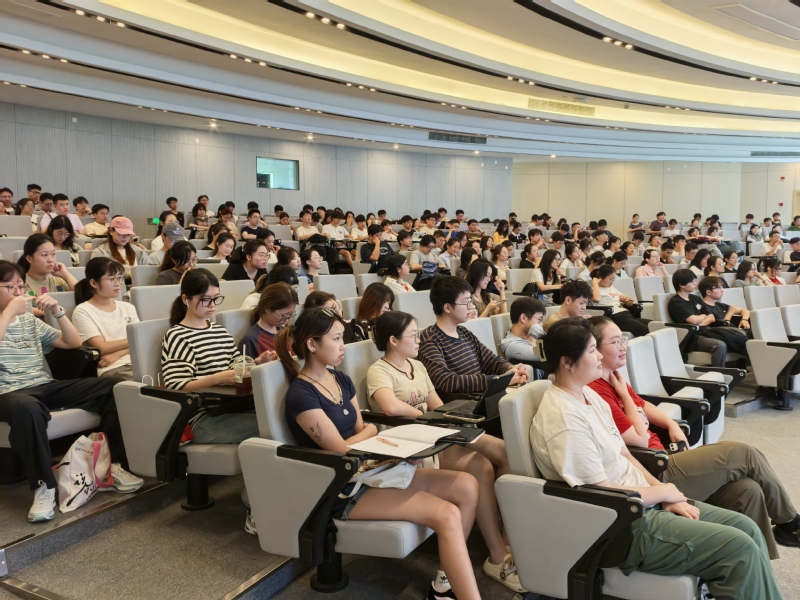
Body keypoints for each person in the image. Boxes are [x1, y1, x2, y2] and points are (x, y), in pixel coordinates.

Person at [532, 318, 783, 600]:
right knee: (738, 548)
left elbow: (626, 454)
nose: (600, 356)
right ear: (567, 362)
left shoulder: (588, 394)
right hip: (623, 524)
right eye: (592, 350)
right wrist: (662, 493)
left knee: (746, 527)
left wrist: (665, 492)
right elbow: (600, 494)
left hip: (642, 501)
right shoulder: (564, 418)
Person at [277, 308, 481, 600]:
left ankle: (443, 584)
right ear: (312, 344)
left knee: (467, 485)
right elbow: (341, 448)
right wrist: (369, 433)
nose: (343, 345)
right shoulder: (301, 394)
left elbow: (360, 430)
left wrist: (377, 440)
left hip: (369, 470)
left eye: (342, 338)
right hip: (339, 487)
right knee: (447, 513)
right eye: (336, 339)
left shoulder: (341, 380)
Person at [589, 316, 800, 559]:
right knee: (744, 454)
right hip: (653, 468)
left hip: (663, 455)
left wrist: (671, 424)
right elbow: (639, 440)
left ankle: (759, 563)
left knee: (747, 489)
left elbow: (643, 404)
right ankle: (791, 523)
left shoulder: (614, 376)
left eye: (623, 340)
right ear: (595, 350)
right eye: (615, 342)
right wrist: (625, 398)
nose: (623, 346)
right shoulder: (597, 389)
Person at [367, 311, 523, 592]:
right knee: (481, 466)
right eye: (412, 335)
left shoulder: (417, 366)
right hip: (411, 445)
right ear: (393, 340)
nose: (418, 340)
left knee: (502, 450)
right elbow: (390, 406)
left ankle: (505, 542)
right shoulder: (379, 370)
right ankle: (496, 555)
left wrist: (455, 419)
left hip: (434, 434)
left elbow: (437, 405)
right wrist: (425, 417)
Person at [0, 260, 141, 523]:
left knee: (113, 385)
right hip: (6, 393)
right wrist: (7, 313)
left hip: (42, 385)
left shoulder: (29, 321)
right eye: (11, 287)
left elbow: (72, 342)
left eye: (21, 286)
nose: (19, 293)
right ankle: (43, 486)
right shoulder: (8, 317)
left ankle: (112, 465)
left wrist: (58, 312)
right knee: (27, 407)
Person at [161, 269, 259, 443]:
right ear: (186, 299)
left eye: (216, 298)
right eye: (205, 300)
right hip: (200, 417)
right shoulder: (178, 336)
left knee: (280, 416)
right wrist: (217, 378)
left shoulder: (220, 331)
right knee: (270, 426)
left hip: (229, 406)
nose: (212, 305)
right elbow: (176, 385)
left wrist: (256, 363)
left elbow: (236, 364)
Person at [418, 276, 528, 395]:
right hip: (461, 402)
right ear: (447, 307)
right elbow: (446, 381)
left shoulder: (463, 332)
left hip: (481, 396)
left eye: (470, 301)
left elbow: (491, 360)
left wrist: (510, 369)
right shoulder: (429, 338)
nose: (471, 306)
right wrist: (499, 380)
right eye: (466, 302)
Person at [72, 258, 139, 379]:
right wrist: (133, 339)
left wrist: (118, 353)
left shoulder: (128, 307)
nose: (118, 283)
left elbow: (141, 342)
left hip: (138, 360)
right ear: (94, 283)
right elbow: (101, 348)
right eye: (112, 279)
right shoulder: (82, 311)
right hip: (113, 368)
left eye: (120, 278)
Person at [668, 269, 730, 367]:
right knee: (719, 345)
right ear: (682, 285)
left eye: (695, 281)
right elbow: (693, 320)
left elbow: (711, 317)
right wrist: (702, 316)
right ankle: (718, 373)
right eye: (692, 281)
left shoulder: (696, 298)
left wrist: (698, 323)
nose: (695, 283)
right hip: (692, 337)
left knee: (731, 339)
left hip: (706, 331)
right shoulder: (675, 302)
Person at [18, 234, 78, 315]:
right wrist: (54, 312)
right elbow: (18, 308)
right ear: (29, 258)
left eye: (53, 254)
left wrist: (66, 275)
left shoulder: (59, 281)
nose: (50, 260)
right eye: (44, 255)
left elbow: (83, 297)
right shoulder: (19, 283)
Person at [239, 282, 298, 364]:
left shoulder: (285, 333)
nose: (286, 320)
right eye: (283, 316)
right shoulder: (251, 339)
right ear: (267, 309)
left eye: (290, 315)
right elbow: (245, 370)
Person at [590, 265, 648, 337]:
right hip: (614, 317)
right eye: (610, 279)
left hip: (626, 314)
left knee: (654, 325)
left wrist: (628, 300)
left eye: (613, 279)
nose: (612, 281)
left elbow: (624, 297)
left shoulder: (611, 288)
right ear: (600, 277)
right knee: (644, 329)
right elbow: (596, 299)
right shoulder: (592, 290)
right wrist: (595, 283)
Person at [499, 296, 546, 362]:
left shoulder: (532, 336)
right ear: (523, 318)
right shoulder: (512, 346)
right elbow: (544, 355)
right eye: (539, 319)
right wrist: (541, 336)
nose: (541, 324)